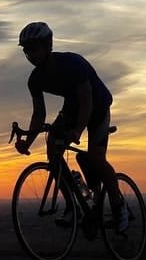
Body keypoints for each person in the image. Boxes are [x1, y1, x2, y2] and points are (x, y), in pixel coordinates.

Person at [12, 21, 129, 234]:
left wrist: (76, 132)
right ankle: (73, 205)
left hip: (98, 106)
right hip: (73, 107)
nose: (30, 54)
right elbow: (39, 115)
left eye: (34, 49)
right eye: (26, 50)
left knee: (95, 157)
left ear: (48, 45)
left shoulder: (72, 64)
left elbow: (87, 101)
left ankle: (119, 207)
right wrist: (27, 141)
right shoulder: (35, 79)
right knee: (53, 149)